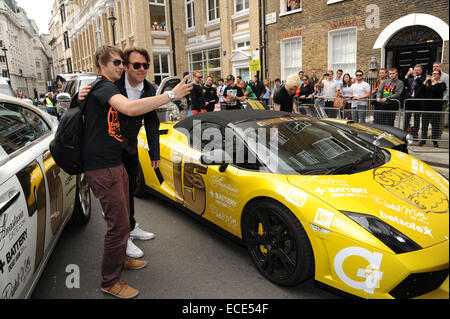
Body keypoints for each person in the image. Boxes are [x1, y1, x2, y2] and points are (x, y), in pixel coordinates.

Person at [78, 45, 192, 299]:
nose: (121, 67)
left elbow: (146, 119)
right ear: (102, 64)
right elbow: (129, 109)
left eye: (122, 63)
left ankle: (121, 261)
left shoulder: (102, 87)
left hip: (115, 160)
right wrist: (172, 95)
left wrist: (152, 154)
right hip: (101, 165)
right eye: (117, 63)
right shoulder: (105, 86)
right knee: (117, 226)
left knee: (125, 215)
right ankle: (110, 281)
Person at [113, 47, 160, 259]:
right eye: (137, 65)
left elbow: (151, 122)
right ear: (125, 66)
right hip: (110, 149)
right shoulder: (112, 84)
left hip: (130, 148)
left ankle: (130, 227)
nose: (142, 69)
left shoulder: (149, 88)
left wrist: (154, 154)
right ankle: (122, 238)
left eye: (146, 66)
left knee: (130, 188)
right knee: (117, 196)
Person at [421, 70, 446, 147]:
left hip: (436, 107)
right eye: (433, 74)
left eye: (436, 74)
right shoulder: (428, 83)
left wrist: (435, 82)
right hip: (426, 107)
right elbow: (421, 91)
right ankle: (423, 140)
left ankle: (435, 141)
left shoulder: (442, 84)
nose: (434, 75)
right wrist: (425, 81)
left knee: (435, 125)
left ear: (439, 75)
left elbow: (439, 91)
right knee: (424, 124)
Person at [403, 64, 426, 139]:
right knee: (406, 118)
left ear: (421, 71)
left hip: (417, 101)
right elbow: (404, 84)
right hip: (409, 101)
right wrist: (407, 75)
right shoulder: (410, 79)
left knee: (416, 119)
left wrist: (416, 77)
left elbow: (422, 85)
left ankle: (415, 134)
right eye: (415, 70)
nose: (415, 71)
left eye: (417, 70)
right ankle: (404, 133)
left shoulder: (423, 79)